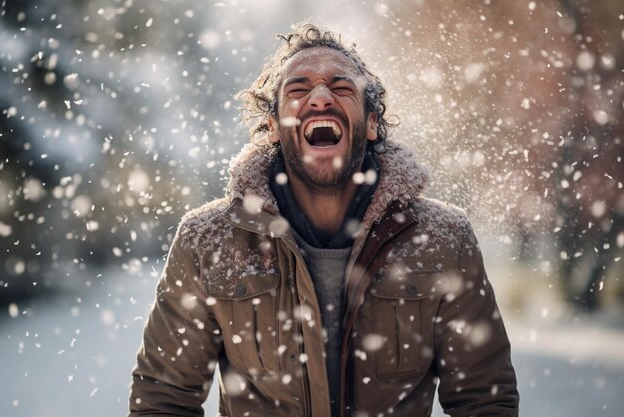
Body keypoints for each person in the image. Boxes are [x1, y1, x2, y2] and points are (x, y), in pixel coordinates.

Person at [129, 22, 519, 417]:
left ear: (369, 124)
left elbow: (484, 401)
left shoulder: (444, 239)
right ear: (273, 128)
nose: (319, 97)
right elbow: (163, 400)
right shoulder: (207, 241)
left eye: (342, 87)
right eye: (298, 89)